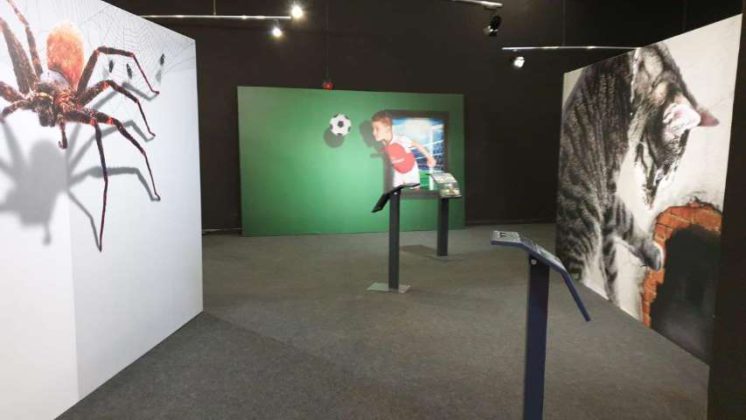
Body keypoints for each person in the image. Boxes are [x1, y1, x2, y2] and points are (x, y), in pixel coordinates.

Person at [371, 111, 437, 188]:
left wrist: (430, 158)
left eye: (377, 129)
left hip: (410, 170)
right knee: (395, 191)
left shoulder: (401, 139)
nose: (373, 132)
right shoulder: (383, 142)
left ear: (387, 128)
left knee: (415, 190)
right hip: (398, 171)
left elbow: (416, 144)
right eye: (373, 129)